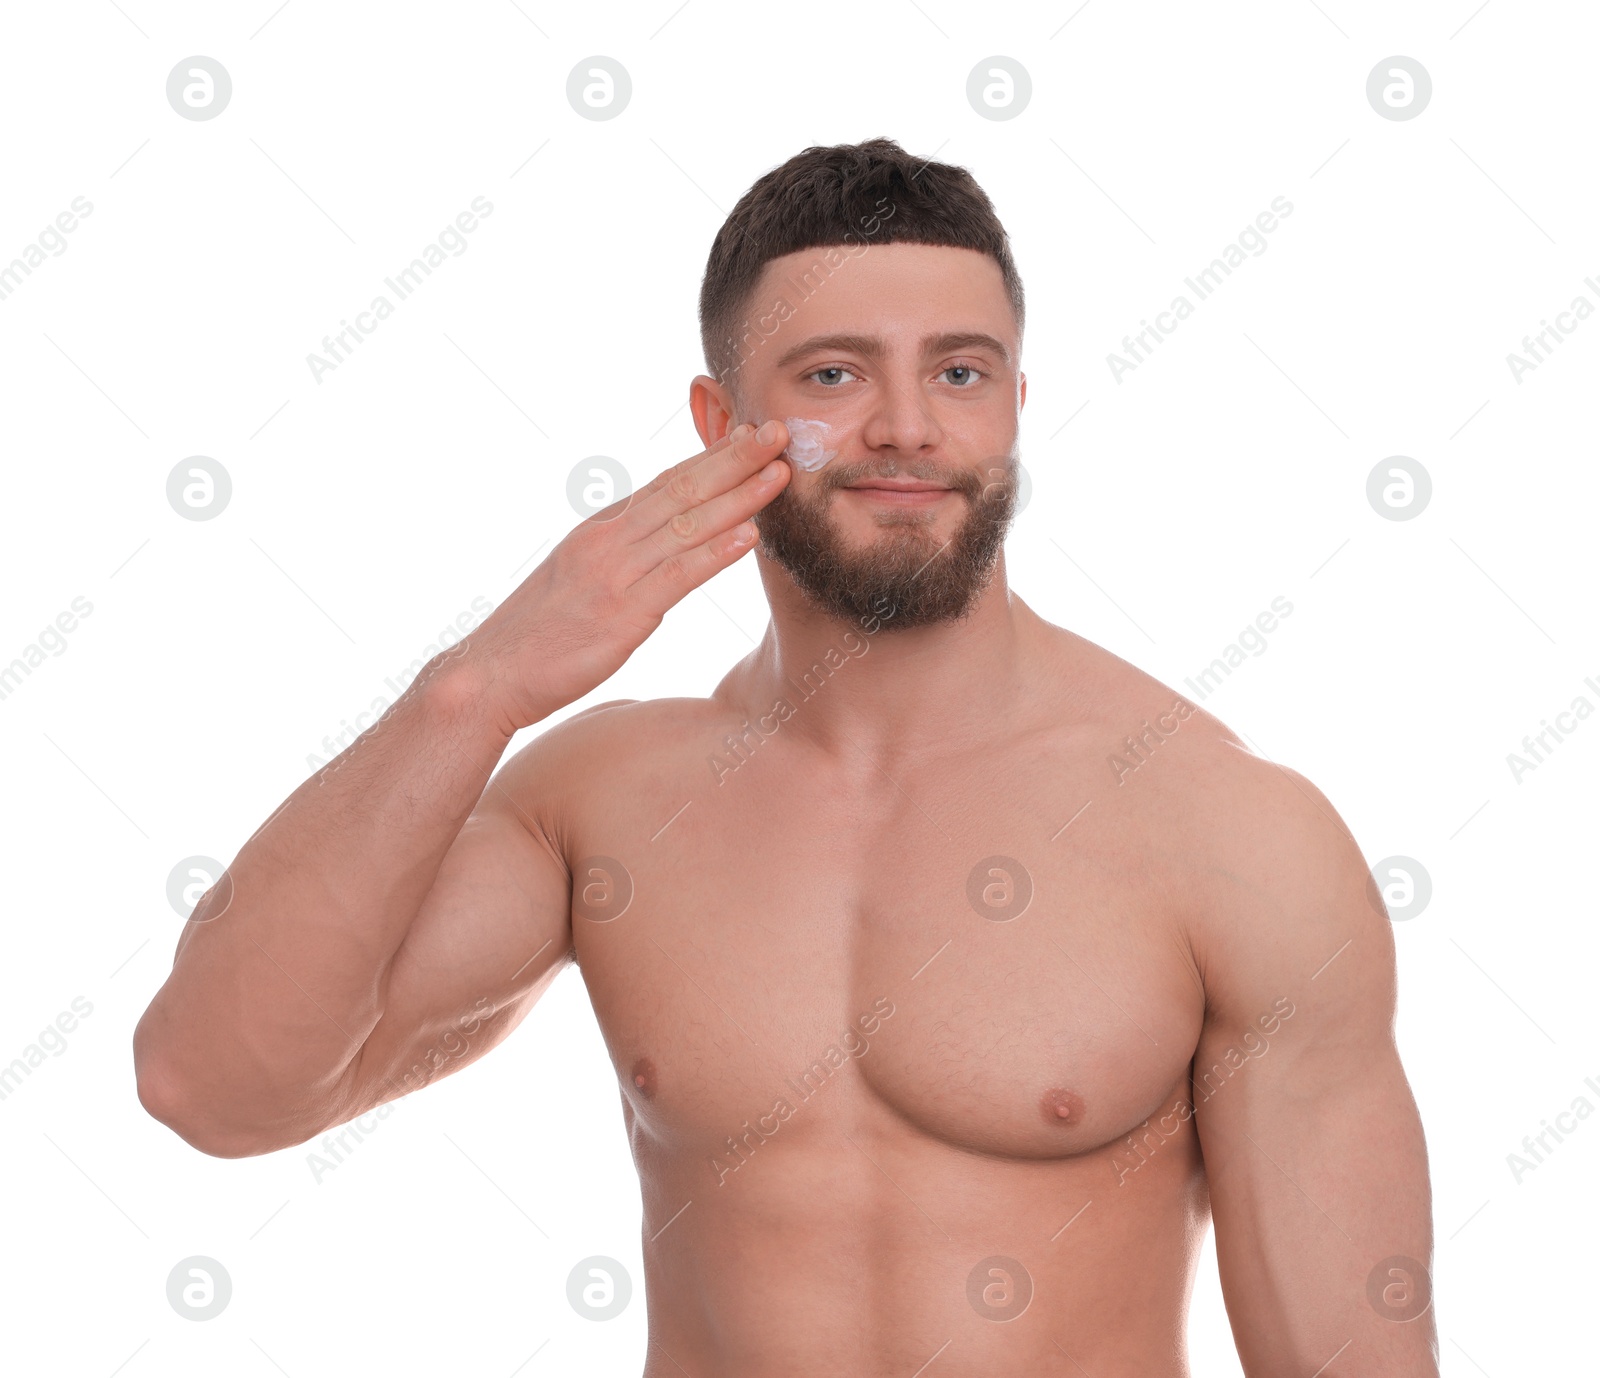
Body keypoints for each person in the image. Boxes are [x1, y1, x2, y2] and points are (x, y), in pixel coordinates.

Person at [134, 138, 1438, 1375]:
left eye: (962, 372)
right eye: (833, 375)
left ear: (1018, 406)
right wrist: (474, 689)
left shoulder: (1225, 830)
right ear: (720, 421)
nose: (909, 428)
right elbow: (215, 1085)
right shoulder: (603, 807)